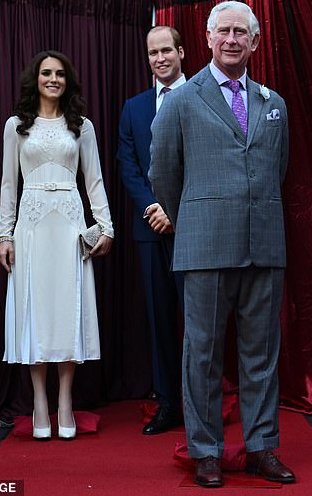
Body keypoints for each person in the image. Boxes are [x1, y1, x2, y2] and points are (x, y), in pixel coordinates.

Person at [149, 1, 295, 487]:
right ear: (208, 39)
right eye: (224, 32)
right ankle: (206, 450)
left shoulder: (274, 103)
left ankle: (261, 448)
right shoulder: (182, 101)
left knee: (262, 356)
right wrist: (194, 215)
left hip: (264, 246)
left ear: (255, 42)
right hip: (205, 245)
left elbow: (279, 168)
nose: (232, 40)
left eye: (242, 33)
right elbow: (164, 173)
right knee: (203, 355)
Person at [0, 51, 114, 440]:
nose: (53, 79)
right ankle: (39, 403)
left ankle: (65, 400)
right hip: (30, 225)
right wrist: (4, 235)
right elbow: (8, 185)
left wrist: (106, 227)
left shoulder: (81, 126)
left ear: (68, 81)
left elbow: (94, 180)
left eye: (60, 74)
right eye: (46, 73)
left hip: (69, 224)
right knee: (35, 312)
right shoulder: (17, 126)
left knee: (68, 309)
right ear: (36, 78)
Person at [117, 26, 186, 435]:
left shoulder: (201, 95)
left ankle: (200, 403)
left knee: (196, 321)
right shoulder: (134, 107)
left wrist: (175, 211)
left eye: (166, 50)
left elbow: (206, 162)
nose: (160, 58)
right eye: (152, 53)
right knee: (160, 320)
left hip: (193, 228)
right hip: (149, 229)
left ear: (180, 52)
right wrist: (153, 208)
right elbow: (128, 166)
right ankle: (167, 404)